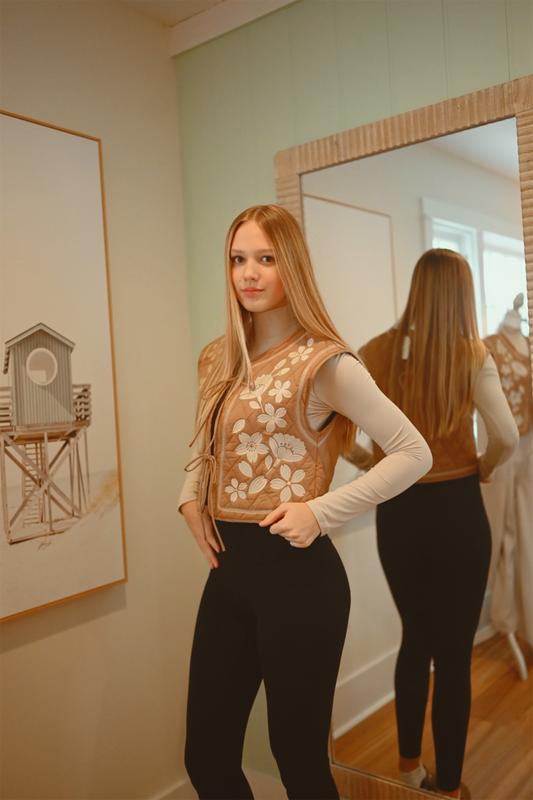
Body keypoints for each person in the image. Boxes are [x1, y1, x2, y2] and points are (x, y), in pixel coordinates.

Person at [178, 204, 432, 800]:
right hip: (228, 574)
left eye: (266, 258)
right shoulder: (216, 356)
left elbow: (412, 452)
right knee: (205, 756)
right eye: (238, 259)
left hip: (299, 582)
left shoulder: (324, 362)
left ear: (291, 265)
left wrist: (320, 512)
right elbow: (206, 440)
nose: (249, 273)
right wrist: (189, 494)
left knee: (299, 763)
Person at [356, 249, 519, 799]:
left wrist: (370, 464)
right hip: (456, 511)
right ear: (461, 295)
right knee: (452, 656)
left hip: (397, 512)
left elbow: (333, 430)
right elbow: (506, 437)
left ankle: (407, 774)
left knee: (415, 638)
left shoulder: (374, 351)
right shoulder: (471, 354)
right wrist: (485, 468)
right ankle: (448, 788)